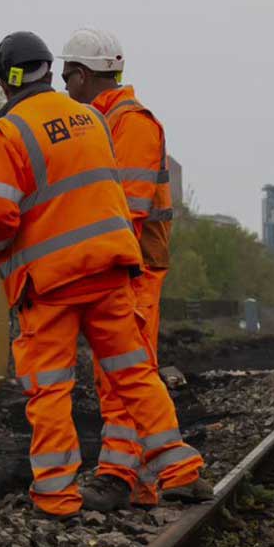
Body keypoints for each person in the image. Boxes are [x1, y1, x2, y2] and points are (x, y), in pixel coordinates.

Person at [0, 31, 211, 517]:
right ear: (48, 71)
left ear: (6, 80)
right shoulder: (93, 119)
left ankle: (57, 497)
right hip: (110, 270)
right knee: (133, 374)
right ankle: (180, 470)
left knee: (50, 388)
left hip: (52, 283)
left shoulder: (9, 131)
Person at [58, 28, 173, 510]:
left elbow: (125, 210)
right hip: (119, 268)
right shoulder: (104, 124)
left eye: (67, 77)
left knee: (125, 375)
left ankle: (118, 475)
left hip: (133, 269)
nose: (65, 88)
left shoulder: (131, 124)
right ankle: (140, 481)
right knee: (120, 374)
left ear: (84, 75)